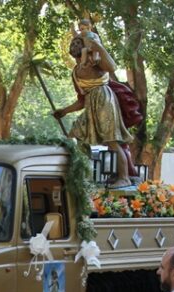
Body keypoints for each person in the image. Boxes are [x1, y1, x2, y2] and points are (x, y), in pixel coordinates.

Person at [54, 34, 135, 188]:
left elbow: (112, 67)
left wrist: (97, 46)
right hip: (90, 104)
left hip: (104, 101)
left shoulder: (95, 63)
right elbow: (81, 101)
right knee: (76, 133)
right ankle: (84, 173)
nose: (76, 47)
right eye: (74, 44)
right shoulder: (75, 72)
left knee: (112, 140)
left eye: (79, 44)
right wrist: (64, 111)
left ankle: (124, 177)